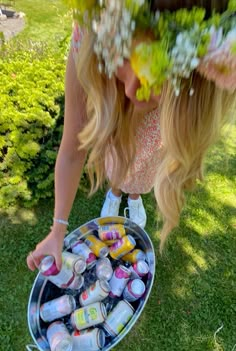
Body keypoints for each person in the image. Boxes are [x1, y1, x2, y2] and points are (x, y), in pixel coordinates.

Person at [27, 0, 236, 271]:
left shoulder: (207, 69)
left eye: (160, 73)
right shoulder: (90, 35)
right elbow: (72, 147)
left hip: (153, 140)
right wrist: (58, 230)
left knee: (144, 168)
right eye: (125, 56)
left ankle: (134, 197)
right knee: (116, 158)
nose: (134, 88)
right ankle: (114, 194)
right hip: (114, 133)